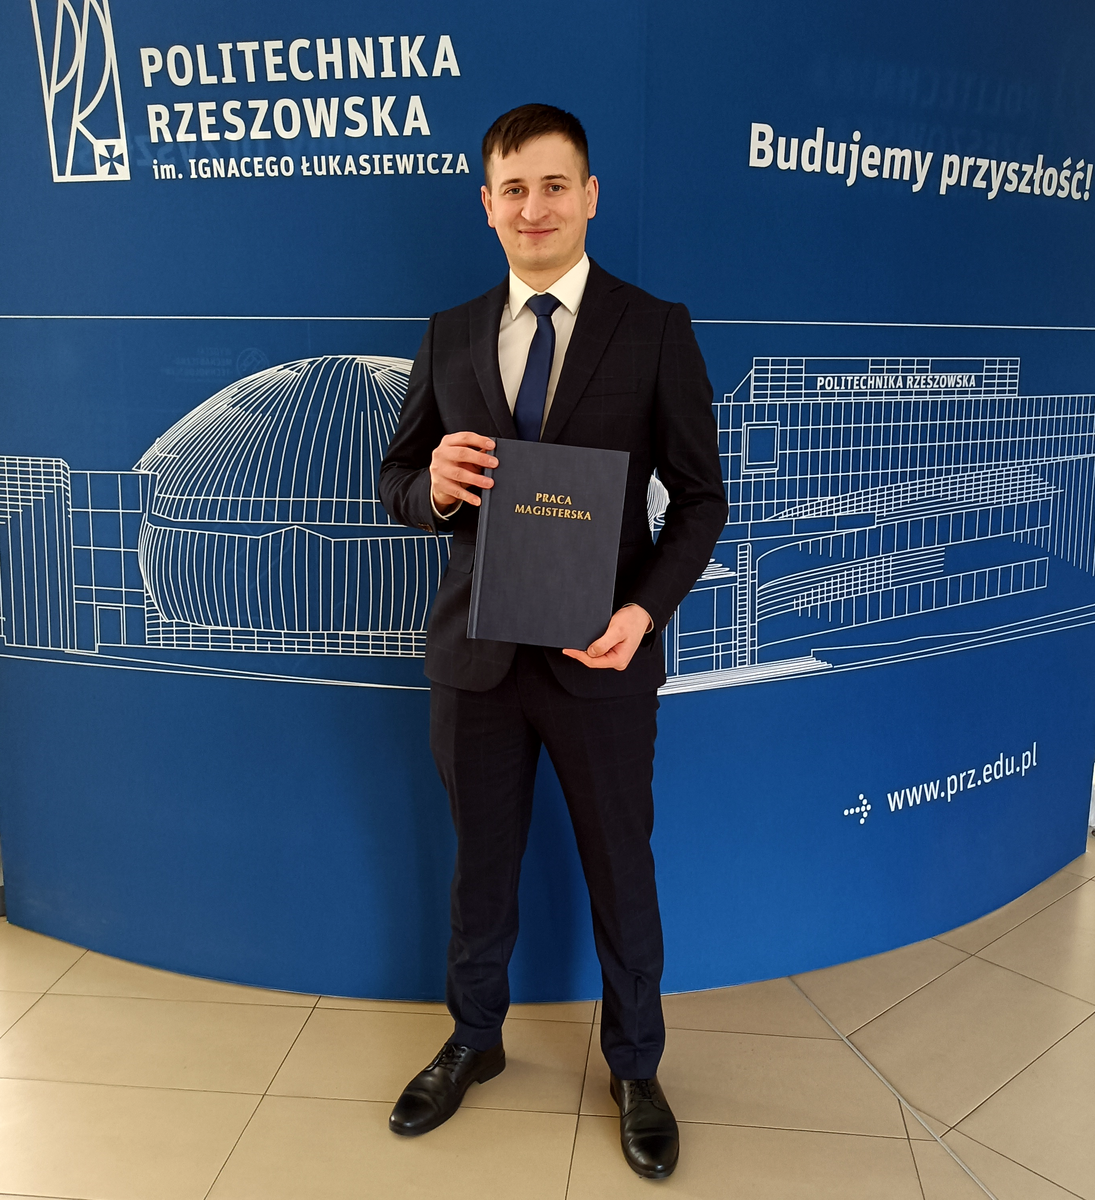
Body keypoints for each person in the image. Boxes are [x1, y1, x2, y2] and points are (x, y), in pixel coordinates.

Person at [378, 103, 727, 1179]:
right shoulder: (448, 332)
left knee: (621, 869)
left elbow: (702, 501)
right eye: (514, 190)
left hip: (601, 659)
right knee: (480, 867)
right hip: (476, 662)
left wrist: (641, 614)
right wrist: (433, 488)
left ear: (590, 197)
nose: (535, 207)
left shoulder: (653, 326)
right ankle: (473, 1039)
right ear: (487, 206)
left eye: (554, 185)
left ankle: (636, 1066)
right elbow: (398, 480)